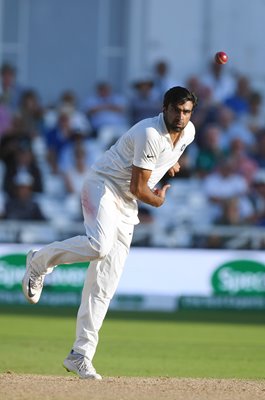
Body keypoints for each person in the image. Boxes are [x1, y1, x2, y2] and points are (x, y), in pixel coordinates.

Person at [22, 86, 198, 380]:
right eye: (176, 110)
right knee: (99, 246)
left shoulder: (188, 132)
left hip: (126, 205)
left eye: (187, 111)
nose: (181, 116)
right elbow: (139, 188)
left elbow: (167, 155)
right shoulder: (149, 132)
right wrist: (159, 199)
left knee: (104, 284)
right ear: (164, 108)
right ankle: (39, 261)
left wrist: (171, 163)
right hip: (103, 185)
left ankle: (80, 355)